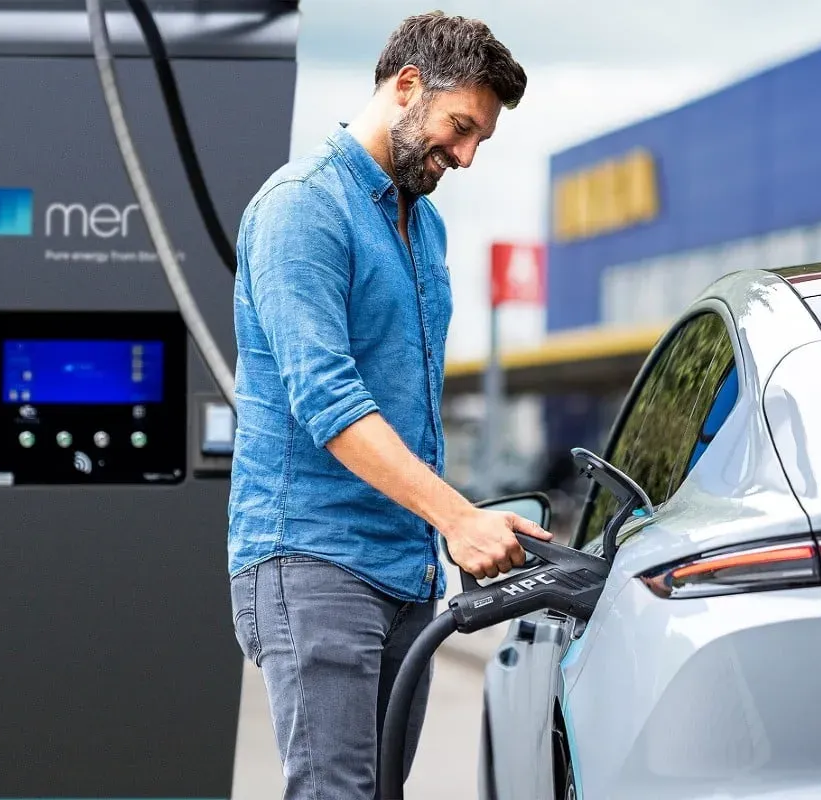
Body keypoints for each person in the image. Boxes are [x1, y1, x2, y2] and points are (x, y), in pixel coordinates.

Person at [226, 11, 549, 799]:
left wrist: (453, 525)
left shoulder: (424, 225)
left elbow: (410, 407)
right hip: (314, 558)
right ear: (407, 86)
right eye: (460, 127)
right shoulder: (304, 207)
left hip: (403, 571)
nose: (467, 156)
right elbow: (328, 402)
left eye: (481, 141)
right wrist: (458, 518)